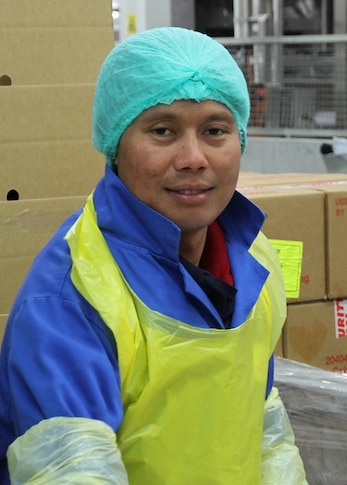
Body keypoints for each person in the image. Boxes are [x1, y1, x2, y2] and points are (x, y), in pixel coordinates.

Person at [0, 27, 307, 484]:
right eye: (162, 130)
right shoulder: (71, 298)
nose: (193, 158)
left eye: (215, 131)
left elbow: (259, 424)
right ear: (114, 145)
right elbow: (73, 473)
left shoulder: (254, 259)